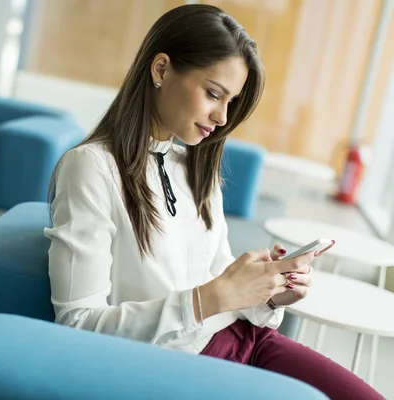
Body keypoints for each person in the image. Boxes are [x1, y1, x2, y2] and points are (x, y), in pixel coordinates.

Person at [44, 4, 383, 399]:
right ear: (161, 70)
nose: (222, 117)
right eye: (213, 94)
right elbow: (77, 327)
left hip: (245, 341)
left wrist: (268, 293)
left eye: (231, 101)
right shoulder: (91, 168)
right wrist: (213, 297)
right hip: (176, 366)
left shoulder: (196, 168)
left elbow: (221, 282)